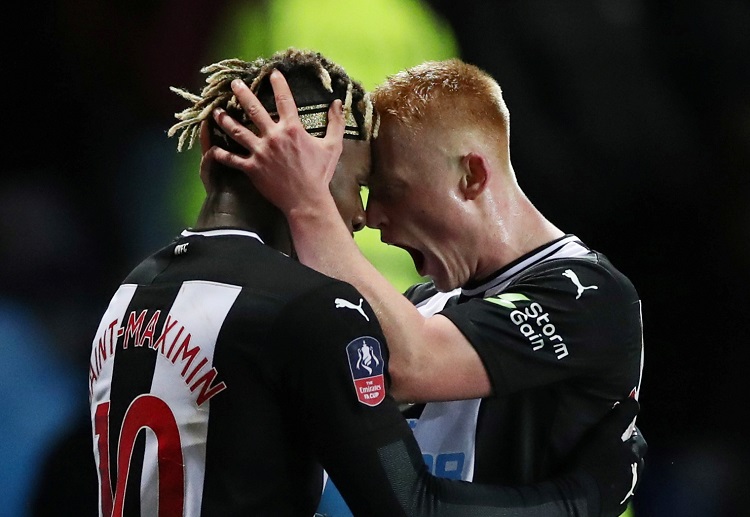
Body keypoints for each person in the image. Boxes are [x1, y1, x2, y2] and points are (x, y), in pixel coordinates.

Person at [89, 48, 644, 516]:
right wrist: (583, 499)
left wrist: (307, 203)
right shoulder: (405, 308)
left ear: (471, 175)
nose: (371, 218)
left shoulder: (589, 294)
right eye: (362, 189)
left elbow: (409, 365)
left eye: (391, 190)